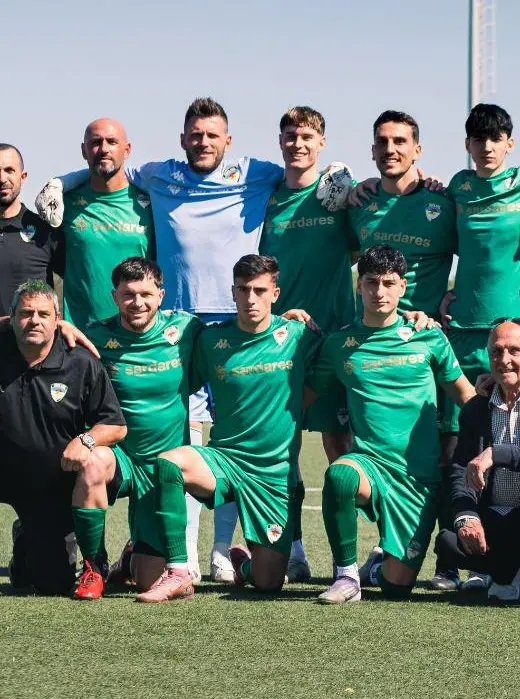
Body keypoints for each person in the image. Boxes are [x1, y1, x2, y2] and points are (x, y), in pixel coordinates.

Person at [36, 97, 352, 583]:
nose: (203, 142)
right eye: (195, 134)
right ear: (182, 139)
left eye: (212, 135)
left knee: (248, 438)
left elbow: (302, 164)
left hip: (239, 325)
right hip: (178, 327)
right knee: (181, 434)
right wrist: (65, 179)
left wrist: (344, 172)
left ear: (229, 141)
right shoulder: (159, 174)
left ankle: (229, 552)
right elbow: (108, 166)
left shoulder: (256, 172)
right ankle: (172, 553)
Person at [138, 255, 321, 599]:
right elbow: (170, 375)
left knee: (267, 583)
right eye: (243, 290)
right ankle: (178, 569)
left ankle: (243, 562)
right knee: (169, 464)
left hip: (272, 474)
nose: (251, 299)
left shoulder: (300, 335)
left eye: (259, 290)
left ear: (275, 293)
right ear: (233, 292)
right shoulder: (210, 340)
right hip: (225, 461)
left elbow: (342, 354)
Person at [309, 245, 474, 603]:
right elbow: (304, 396)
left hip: (418, 477)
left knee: (396, 587)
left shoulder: (427, 334)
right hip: (370, 465)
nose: (379, 292)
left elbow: (465, 395)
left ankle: (379, 563)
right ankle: (347, 577)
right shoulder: (340, 344)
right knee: (341, 475)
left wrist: (506, 422)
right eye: (370, 283)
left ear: (403, 286)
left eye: (388, 283)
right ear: (359, 286)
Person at [260, 105, 359, 582]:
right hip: (284, 345)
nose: (297, 144)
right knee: (286, 448)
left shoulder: (339, 197)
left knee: (344, 446)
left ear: (322, 143)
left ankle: (353, 557)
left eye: (306, 136)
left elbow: (368, 241)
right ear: (280, 142)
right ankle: (294, 550)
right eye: (289, 135)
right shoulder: (266, 200)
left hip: (338, 341)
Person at [74, 258, 202, 599]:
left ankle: (132, 557)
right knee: (93, 461)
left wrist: (286, 319)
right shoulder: (96, 336)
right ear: (114, 296)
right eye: (128, 295)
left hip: (163, 470)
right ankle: (93, 566)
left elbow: (236, 338)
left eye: (146, 293)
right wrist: (61, 325)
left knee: (148, 581)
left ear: (161, 295)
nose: (138, 303)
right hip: (121, 458)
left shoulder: (187, 330)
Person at [1, 280, 126, 596]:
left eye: (44, 314)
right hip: (6, 472)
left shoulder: (80, 362)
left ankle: (27, 540)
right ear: (11, 317)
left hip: (52, 483)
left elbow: (115, 425)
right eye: (26, 313)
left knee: (51, 583)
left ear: (57, 321)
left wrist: (85, 440)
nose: (35, 321)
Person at [436, 319, 520, 602]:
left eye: (514, 351)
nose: (505, 360)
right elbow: (461, 468)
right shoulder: (476, 408)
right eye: (497, 352)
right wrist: (467, 516)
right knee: (448, 542)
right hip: (499, 517)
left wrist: (496, 453)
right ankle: (509, 566)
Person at [349, 111, 457, 318]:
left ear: (417, 151)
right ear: (373, 151)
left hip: (421, 335)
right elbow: (338, 260)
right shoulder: (359, 201)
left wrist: (458, 292)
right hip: (366, 337)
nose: (389, 150)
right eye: (382, 142)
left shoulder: (443, 204)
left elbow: (481, 255)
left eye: (399, 141)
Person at [55, 119, 153, 329]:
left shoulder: (150, 203)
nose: (104, 149)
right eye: (95, 142)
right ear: (84, 150)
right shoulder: (65, 203)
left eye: (112, 142)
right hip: (82, 335)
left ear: (127, 150)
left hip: (138, 332)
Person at [0, 144, 61, 317]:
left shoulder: (46, 231)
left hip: (30, 342)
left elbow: (78, 282)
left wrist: (65, 324)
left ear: (23, 176)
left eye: (9, 170)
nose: (2, 178)